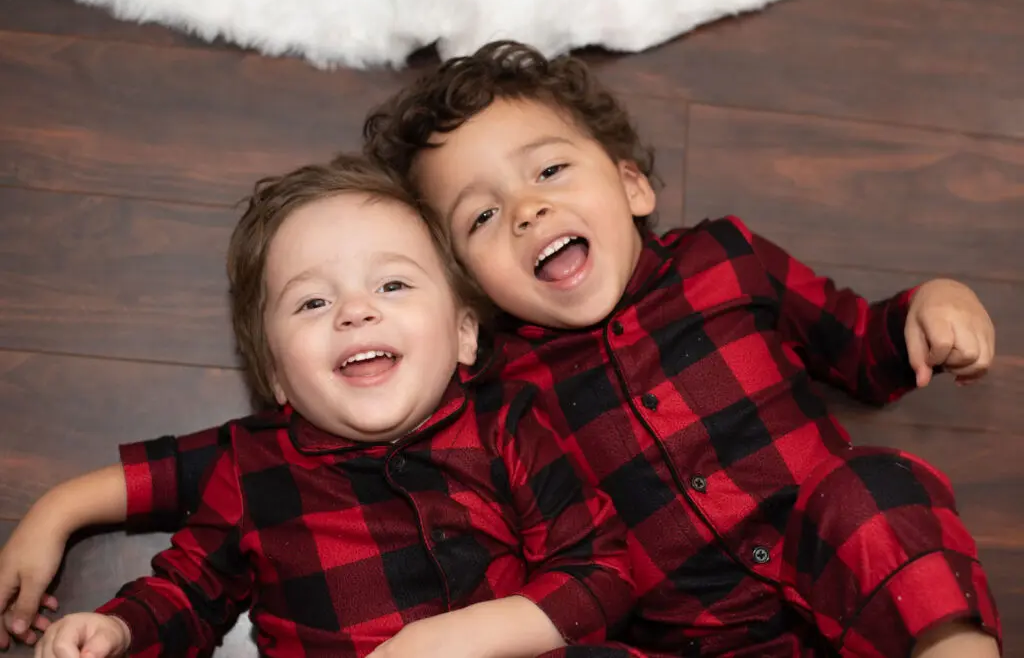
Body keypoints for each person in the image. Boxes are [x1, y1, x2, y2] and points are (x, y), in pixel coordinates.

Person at [2, 41, 1002, 657]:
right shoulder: (496, 387)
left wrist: (931, 306)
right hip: (686, 639)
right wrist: (59, 513)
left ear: (632, 184)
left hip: (848, 573)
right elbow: (216, 475)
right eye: (482, 217)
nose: (525, 209)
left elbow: (863, 348)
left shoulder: (726, 260)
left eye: (551, 172)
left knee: (875, 486)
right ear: (470, 297)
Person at [16, 154, 633, 658]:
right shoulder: (251, 468)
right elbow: (187, 593)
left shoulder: (507, 425)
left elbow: (599, 572)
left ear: (464, 334)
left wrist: (463, 639)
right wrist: (119, 629)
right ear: (276, 376)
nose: (355, 311)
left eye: (393, 284)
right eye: (312, 303)